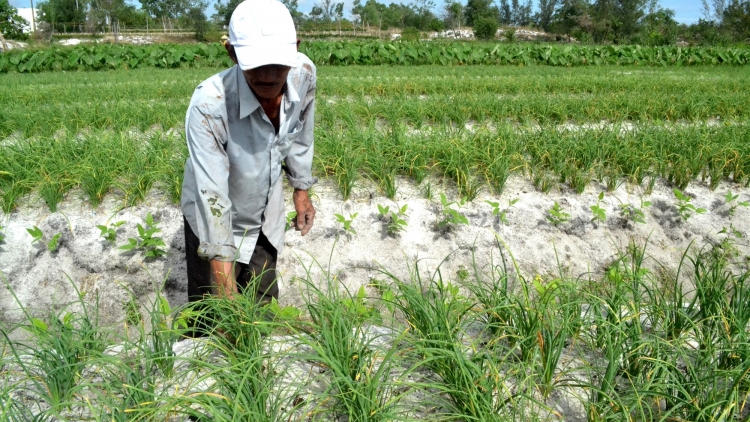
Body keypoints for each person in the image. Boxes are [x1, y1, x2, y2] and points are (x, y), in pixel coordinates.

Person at [180, 0, 317, 316]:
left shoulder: (304, 74)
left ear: (295, 49)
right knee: (211, 319)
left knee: (262, 314)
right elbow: (214, 202)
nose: (269, 76)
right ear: (231, 53)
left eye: (279, 64)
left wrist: (301, 188)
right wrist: (227, 307)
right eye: (256, 65)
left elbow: (301, 132)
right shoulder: (210, 105)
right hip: (211, 218)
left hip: (264, 216)